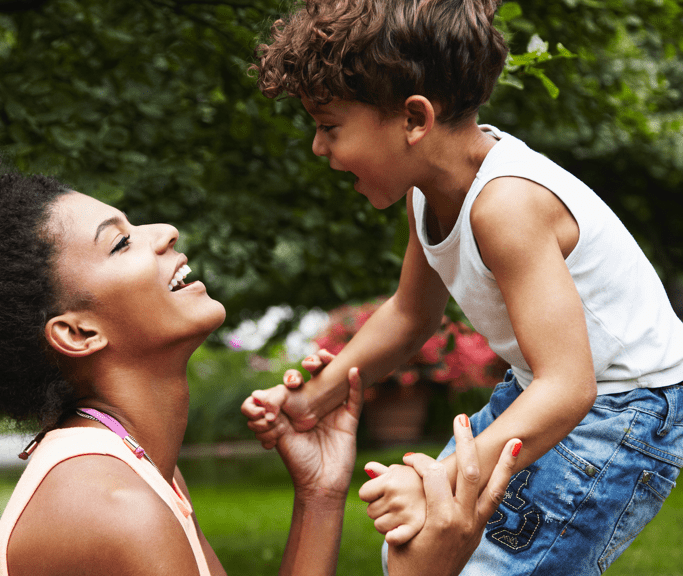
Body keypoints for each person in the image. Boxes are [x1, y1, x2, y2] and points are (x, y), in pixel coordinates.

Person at [0, 145, 519, 575]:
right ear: (76, 333)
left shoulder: (136, 468)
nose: (164, 232)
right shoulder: (111, 508)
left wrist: (318, 497)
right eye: (119, 243)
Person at [245, 0, 683, 574]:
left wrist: (440, 478)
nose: (319, 147)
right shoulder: (427, 195)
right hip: (543, 392)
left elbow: (569, 387)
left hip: (621, 410)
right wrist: (312, 399)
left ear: (415, 119)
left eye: (329, 127)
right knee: (417, 549)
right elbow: (410, 316)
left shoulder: (507, 205)